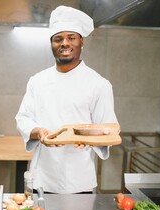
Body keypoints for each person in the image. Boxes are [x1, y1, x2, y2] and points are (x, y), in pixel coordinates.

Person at [15, 6, 118, 194]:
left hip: (79, 181)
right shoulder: (37, 81)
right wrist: (37, 131)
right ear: (51, 44)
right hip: (42, 179)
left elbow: (109, 130)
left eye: (71, 37)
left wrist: (88, 139)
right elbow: (23, 118)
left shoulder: (99, 84)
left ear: (81, 42)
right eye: (58, 39)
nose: (64, 43)